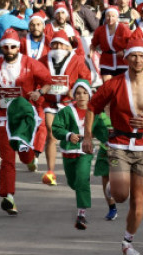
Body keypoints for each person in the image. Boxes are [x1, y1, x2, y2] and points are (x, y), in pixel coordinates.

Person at [82, 39, 143, 255]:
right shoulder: (114, 84)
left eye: (142, 55)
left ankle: (127, 243)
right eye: (133, 55)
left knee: (138, 200)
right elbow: (92, 106)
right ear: (126, 58)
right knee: (121, 195)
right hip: (119, 145)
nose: (138, 59)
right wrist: (87, 137)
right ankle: (113, 187)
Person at [0, 28, 53, 215]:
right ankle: (8, 197)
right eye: (5, 47)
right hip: (3, 116)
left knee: (24, 153)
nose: (9, 50)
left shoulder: (30, 63)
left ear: (18, 47)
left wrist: (40, 92)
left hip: (24, 116)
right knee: (7, 158)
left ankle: (30, 159)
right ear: (1, 48)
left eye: (12, 47)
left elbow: (48, 80)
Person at [40, 30, 91, 186]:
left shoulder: (77, 60)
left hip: (69, 103)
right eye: (54, 44)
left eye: (61, 44)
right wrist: (41, 89)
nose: (57, 47)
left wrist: (75, 89)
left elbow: (86, 78)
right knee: (51, 132)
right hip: (50, 103)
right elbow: (37, 77)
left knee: (71, 136)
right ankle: (50, 171)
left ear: (67, 46)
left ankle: (75, 164)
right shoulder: (43, 60)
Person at [51, 79, 98, 230]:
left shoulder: (94, 112)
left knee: (82, 181)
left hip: (85, 151)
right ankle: (81, 183)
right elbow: (56, 129)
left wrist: (110, 141)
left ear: (90, 95)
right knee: (73, 183)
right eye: (78, 93)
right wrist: (68, 134)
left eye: (85, 93)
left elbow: (103, 128)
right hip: (68, 152)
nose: (81, 96)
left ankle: (81, 215)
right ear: (74, 95)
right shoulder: (65, 111)